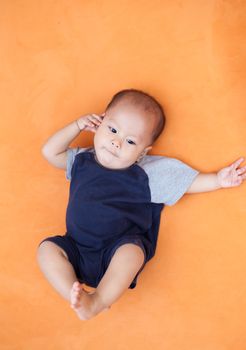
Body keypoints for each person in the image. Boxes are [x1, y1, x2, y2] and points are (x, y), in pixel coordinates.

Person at [37, 88, 246, 321]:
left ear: (141, 154)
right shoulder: (81, 160)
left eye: (130, 141)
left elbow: (187, 182)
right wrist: (76, 125)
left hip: (116, 251)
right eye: (112, 129)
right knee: (46, 249)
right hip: (75, 247)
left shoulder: (145, 173)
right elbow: (50, 152)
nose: (116, 142)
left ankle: (98, 301)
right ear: (99, 122)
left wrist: (218, 179)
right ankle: (75, 295)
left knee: (133, 253)